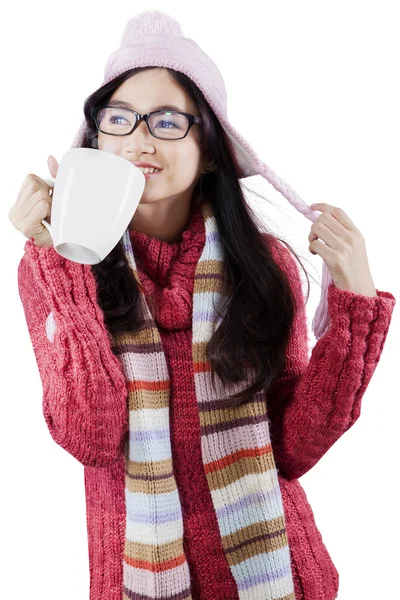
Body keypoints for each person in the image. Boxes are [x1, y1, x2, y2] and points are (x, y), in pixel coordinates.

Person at [10, 10, 396, 600]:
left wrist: (355, 300)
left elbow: (294, 448)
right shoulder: (55, 270)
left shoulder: (266, 269)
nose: (138, 139)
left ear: (210, 150)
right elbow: (89, 436)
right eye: (119, 119)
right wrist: (61, 256)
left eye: (167, 122)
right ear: (95, 139)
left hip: (277, 579)